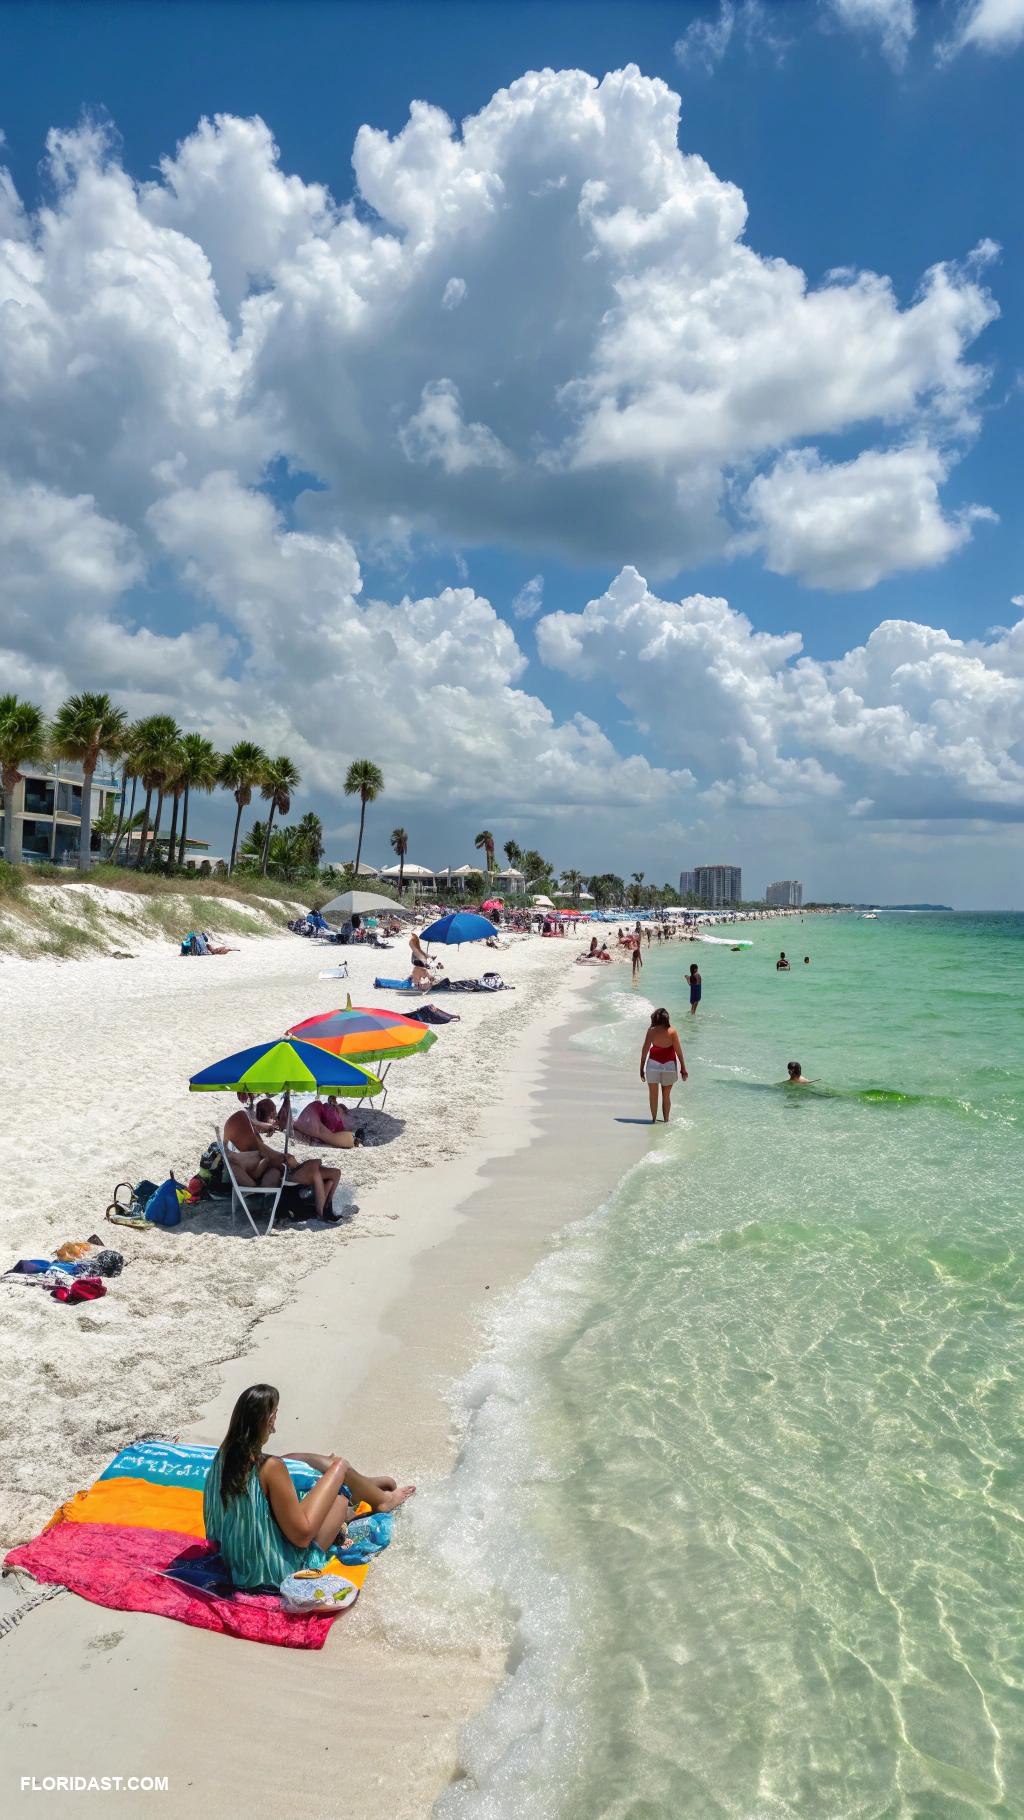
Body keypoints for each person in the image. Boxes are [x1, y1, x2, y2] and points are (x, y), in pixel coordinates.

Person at [203, 1383, 415, 1591]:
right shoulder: (270, 1467)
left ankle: (364, 1486)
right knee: (339, 1480)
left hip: (235, 1560)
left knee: (294, 1460)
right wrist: (337, 1472)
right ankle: (376, 1497)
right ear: (270, 1420)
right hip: (273, 1571)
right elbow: (301, 1537)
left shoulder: (223, 1457)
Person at [222, 1101, 342, 1220]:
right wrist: (280, 1161)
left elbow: (250, 1123)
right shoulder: (253, 1153)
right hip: (290, 1173)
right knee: (316, 1169)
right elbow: (261, 1174)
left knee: (333, 1174)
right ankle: (322, 1212)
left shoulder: (250, 1151)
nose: (274, 1118)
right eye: (273, 1114)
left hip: (288, 1169)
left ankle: (325, 1207)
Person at [263, 1095, 365, 1152]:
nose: (333, 1104)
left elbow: (319, 1130)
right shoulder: (317, 1117)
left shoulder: (346, 1137)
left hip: (338, 1134)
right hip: (330, 1129)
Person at [640, 1008, 688, 1122]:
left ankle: (654, 1120)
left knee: (653, 1095)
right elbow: (679, 1052)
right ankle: (666, 1120)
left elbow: (644, 1051)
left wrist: (641, 1069)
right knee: (666, 1096)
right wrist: (683, 1069)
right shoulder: (672, 1032)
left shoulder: (651, 1031)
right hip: (669, 1066)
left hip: (653, 1066)